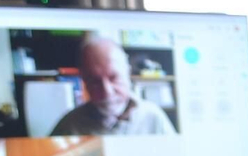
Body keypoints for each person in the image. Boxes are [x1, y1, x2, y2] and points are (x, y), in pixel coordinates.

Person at [49, 34, 177, 136]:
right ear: (85, 81)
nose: (107, 92)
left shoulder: (153, 117)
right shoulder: (69, 126)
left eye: (114, 78)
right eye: (95, 81)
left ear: (128, 71)